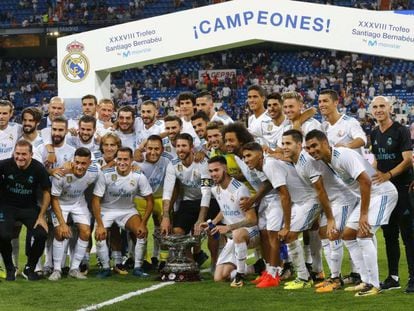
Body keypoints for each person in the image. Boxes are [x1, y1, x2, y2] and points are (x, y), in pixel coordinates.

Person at [305, 129, 398, 297]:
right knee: (347, 235)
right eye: (308, 148)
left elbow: (365, 181)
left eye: (314, 145)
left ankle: (374, 285)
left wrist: (363, 215)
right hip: (370, 196)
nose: (312, 150)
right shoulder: (328, 160)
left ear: (325, 143)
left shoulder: (343, 156)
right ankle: (365, 280)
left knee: (363, 234)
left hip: (383, 194)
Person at [370, 96, 414, 293]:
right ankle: (393, 277)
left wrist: (388, 175)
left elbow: (407, 160)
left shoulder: (400, 130)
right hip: (385, 193)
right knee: (389, 236)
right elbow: (377, 161)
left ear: (389, 108)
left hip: (403, 189)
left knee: (408, 236)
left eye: (382, 106)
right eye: (375, 107)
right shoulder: (373, 133)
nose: (378, 110)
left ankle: (413, 278)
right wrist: (369, 176)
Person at [92, 147, 154, 277]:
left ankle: (138, 267)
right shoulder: (106, 174)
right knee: (100, 235)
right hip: (107, 210)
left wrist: (143, 223)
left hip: (127, 211)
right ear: (115, 160)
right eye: (119, 159)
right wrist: (99, 225)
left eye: (125, 159)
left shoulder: (139, 176)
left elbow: (150, 200)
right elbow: (96, 200)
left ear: (131, 160)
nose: (122, 162)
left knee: (141, 232)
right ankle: (105, 268)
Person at [203, 156, 259, 287]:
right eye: (210, 171)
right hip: (234, 236)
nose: (213, 174)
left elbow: (252, 219)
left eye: (216, 170)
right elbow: (225, 208)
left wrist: (229, 227)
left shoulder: (240, 189)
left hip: (251, 233)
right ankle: (255, 268)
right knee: (219, 277)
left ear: (225, 169)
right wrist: (214, 222)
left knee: (238, 233)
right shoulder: (215, 189)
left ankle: (239, 276)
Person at [0, 140, 51, 281]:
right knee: (3, 236)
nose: (20, 157)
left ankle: (30, 268)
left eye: (24, 154)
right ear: (13, 153)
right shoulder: (4, 165)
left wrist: (42, 216)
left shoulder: (38, 168)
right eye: (17, 154)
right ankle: (10, 268)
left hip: (29, 208)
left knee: (41, 234)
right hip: (7, 207)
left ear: (31, 155)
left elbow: (47, 192)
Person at [48, 147, 99, 281]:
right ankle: (57, 269)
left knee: (86, 232)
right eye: (77, 162)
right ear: (73, 160)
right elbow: (54, 199)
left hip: (78, 202)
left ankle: (74, 268)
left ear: (89, 164)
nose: (79, 166)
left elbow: (107, 166)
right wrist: (63, 224)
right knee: (60, 231)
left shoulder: (94, 171)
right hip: (60, 203)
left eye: (83, 163)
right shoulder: (62, 174)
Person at [160, 133, 212, 266]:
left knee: (212, 231)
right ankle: (191, 264)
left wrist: (201, 219)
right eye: (178, 146)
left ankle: (215, 263)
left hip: (208, 202)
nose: (180, 149)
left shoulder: (202, 163)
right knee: (178, 231)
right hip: (187, 202)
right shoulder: (173, 165)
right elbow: (167, 191)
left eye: (184, 146)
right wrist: (165, 216)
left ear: (191, 147)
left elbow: (206, 192)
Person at [319, 89, 367, 155]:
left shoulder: (350, 122)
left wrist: (346, 146)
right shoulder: (323, 127)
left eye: (325, 101)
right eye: (319, 102)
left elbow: (362, 140)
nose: (321, 104)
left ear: (336, 102)